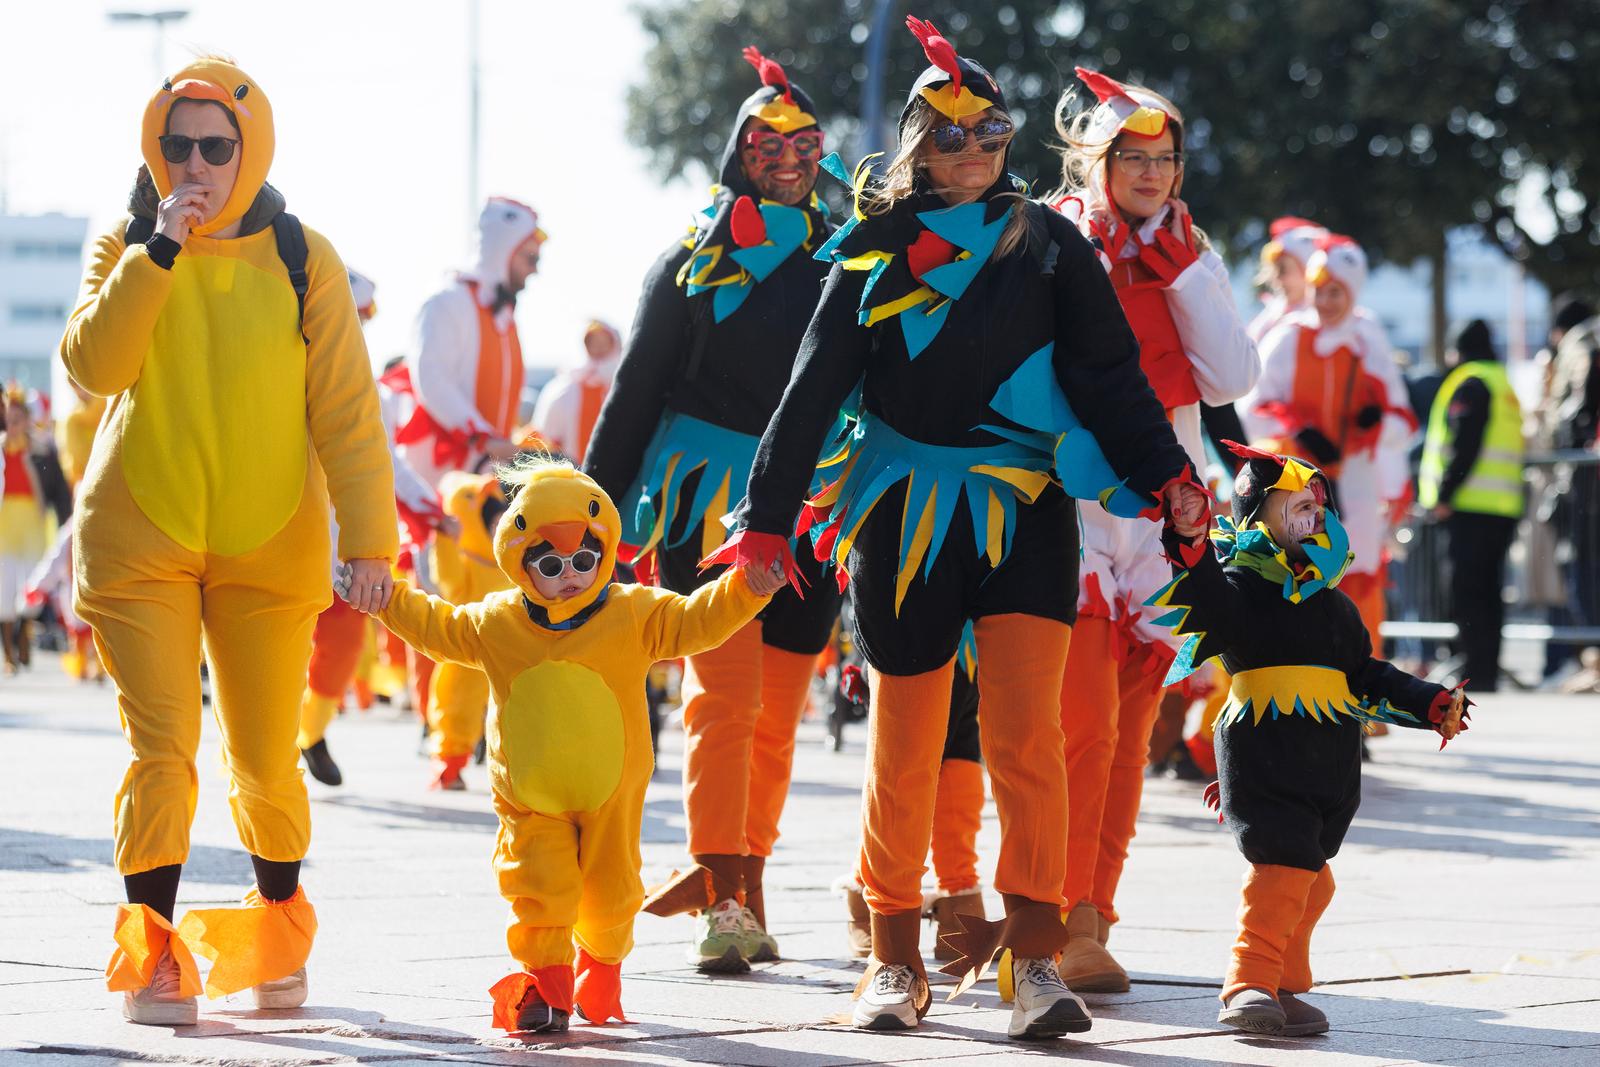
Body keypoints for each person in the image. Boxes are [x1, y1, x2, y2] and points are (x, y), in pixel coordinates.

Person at [724, 15, 1209, 1039]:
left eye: (990, 129)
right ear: (914, 146)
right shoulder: (867, 250)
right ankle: (894, 957)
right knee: (903, 741)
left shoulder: (1050, 244)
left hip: (1028, 511)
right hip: (900, 517)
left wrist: (1169, 476)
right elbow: (808, 395)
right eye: (950, 133)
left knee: (1027, 738)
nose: (974, 149)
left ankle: (1033, 955)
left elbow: (1109, 377)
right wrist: (765, 522)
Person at [59, 57, 397, 1024]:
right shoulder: (127, 241)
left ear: (250, 149)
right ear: (154, 151)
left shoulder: (304, 256)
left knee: (262, 757)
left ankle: (277, 934)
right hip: (137, 538)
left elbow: (346, 412)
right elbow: (93, 365)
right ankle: (153, 956)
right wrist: (158, 249)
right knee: (161, 750)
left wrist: (369, 541)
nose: (195, 164)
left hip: (270, 542)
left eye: (216, 146)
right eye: (177, 146)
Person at [349, 459, 784, 1032]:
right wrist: (386, 599)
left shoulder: (635, 611)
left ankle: (599, 972)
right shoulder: (498, 622)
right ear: (518, 561)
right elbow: (439, 627)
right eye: (550, 565)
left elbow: (697, 621)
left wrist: (743, 589)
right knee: (537, 888)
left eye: (584, 559)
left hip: (612, 797)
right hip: (531, 798)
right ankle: (545, 987)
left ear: (604, 550)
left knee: (610, 897)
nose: (570, 575)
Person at [585, 45, 842, 972]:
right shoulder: (689, 261)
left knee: (779, 710)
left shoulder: (848, 259)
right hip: (705, 504)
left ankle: (748, 873)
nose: (787, 156)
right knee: (722, 703)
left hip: (817, 505)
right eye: (766, 141)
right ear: (737, 152)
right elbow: (634, 394)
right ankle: (723, 893)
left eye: (805, 140)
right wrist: (587, 516)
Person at [1046, 67, 1260, 993]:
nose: (1149, 172)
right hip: (1078, 496)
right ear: (1096, 160)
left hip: (1167, 501)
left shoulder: (1190, 251)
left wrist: (1183, 273)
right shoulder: (1052, 236)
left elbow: (1228, 378)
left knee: (1131, 729)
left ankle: (1094, 912)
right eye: (1130, 156)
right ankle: (1047, 912)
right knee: (1077, 724)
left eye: (1163, 158)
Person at [1151, 442, 1466, 1036]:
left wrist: (1429, 701)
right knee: (1285, 865)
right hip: (1265, 752)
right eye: (1296, 506)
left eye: (1316, 509)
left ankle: (1283, 986)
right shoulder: (1239, 585)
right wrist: (1188, 544)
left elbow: (1365, 674)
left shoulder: (1335, 606)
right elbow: (1204, 600)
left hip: (1329, 764)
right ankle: (1248, 981)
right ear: (1257, 515)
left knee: (1313, 878)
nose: (1312, 517)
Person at [297, 270, 447, 787]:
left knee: (338, 652)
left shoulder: (372, 392)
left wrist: (434, 509)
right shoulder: (280, 366)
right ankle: (269, 751)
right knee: (273, 652)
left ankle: (309, 734)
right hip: (279, 539)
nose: (356, 326)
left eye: (361, 317)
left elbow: (386, 464)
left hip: (344, 547)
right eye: (356, 315)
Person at [1242, 235, 1416, 652]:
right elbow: (1252, 404)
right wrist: (1299, 431)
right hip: (1296, 481)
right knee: (1297, 574)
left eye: (1336, 291)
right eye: (1320, 289)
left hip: (1355, 479)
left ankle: (1365, 695)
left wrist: (1373, 423)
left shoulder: (1367, 339)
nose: (1326, 300)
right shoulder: (1287, 337)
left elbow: (1400, 417)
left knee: (1359, 573)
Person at [397, 197, 546, 489]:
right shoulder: (447, 302)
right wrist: (486, 438)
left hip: (483, 484)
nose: (535, 270)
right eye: (531, 259)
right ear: (505, 252)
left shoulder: (504, 317)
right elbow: (432, 379)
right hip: (439, 486)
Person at [1418, 320, 1525, 691]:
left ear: (1457, 349)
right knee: (1489, 594)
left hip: (1469, 507)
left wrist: (1445, 494)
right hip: (1500, 505)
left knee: (1467, 593)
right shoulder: (1502, 383)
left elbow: (1466, 442)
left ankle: (1473, 673)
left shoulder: (1471, 381)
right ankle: (1485, 671)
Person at [0, 384, 50, 672]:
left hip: (31, 523)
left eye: (17, 418)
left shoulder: (38, 449)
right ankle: (8, 653)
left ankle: (24, 638)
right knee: (4, 589)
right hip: (5, 525)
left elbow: (51, 485)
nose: (13, 424)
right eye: (8, 418)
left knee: (30, 586)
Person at [531, 320, 621, 464]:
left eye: (604, 342)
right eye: (593, 342)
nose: (599, 348)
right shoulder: (566, 385)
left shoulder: (621, 385)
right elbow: (547, 436)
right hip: (571, 472)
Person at [1247, 217, 1326, 344]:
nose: (1276, 279)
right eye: (1273, 271)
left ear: (1309, 272)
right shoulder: (1271, 314)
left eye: (1283, 270)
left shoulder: (1320, 324)